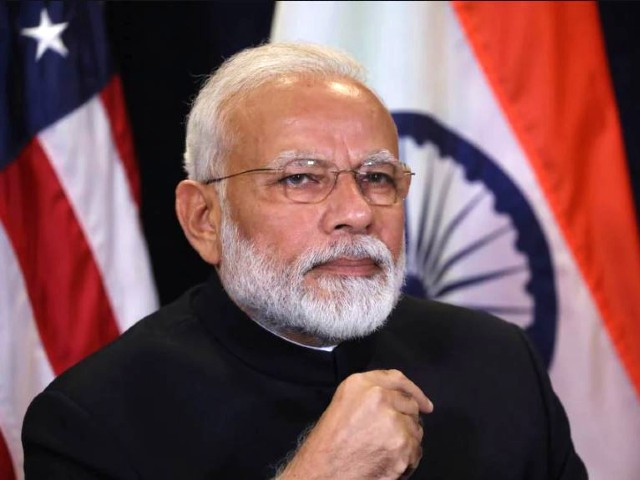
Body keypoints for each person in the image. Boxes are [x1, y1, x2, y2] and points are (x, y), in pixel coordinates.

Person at [22, 43, 587, 480]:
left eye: (377, 178)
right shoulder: (91, 421)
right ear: (204, 219)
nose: (357, 213)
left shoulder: (499, 361)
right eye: (300, 178)